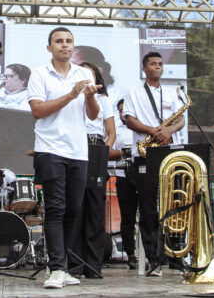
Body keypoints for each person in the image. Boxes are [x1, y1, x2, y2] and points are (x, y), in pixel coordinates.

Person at [28, 27, 100, 289]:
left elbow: (92, 115)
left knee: (73, 210)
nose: (64, 45)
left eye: (69, 41)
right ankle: (55, 267)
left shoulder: (85, 73)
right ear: (50, 47)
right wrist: (71, 94)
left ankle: (63, 266)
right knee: (56, 209)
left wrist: (90, 97)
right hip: (49, 149)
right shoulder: (39, 73)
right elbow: (38, 110)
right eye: (58, 41)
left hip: (78, 151)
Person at [122, 51, 185, 276]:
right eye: (152, 64)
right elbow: (129, 119)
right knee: (148, 208)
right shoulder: (134, 92)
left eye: (160, 64)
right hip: (146, 152)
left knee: (176, 203)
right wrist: (153, 132)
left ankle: (177, 255)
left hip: (171, 151)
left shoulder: (171, 93)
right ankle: (153, 259)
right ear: (144, 68)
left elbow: (181, 119)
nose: (157, 67)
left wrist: (169, 130)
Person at [68, 61, 117, 278]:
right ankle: (74, 265)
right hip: (75, 147)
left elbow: (111, 132)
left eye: (91, 74)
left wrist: (103, 156)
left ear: (97, 78)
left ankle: (93, 265)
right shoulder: (71, 98)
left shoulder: (104, 100)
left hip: (96, 148)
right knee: (75, 208)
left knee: (95, 210)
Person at [112, 98, 137, 269]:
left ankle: (152, 252)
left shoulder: (140, 125)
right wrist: (122, 152)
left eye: (125, 110)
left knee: (149, 215)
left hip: (142, 175)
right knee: (127, 217)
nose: (123, 113)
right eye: (120, 110)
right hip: (123, 176)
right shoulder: (116, 129)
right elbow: (109, 151)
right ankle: (131, 254)